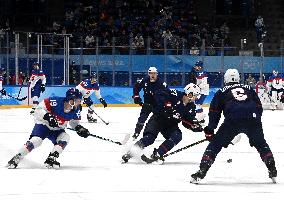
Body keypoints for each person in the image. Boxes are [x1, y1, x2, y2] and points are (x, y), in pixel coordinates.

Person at [190, 69, 277, 184]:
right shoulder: (249, 88)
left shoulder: (221, 91)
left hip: (233, 120)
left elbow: (214, 111)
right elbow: (258, 106)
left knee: (215, 145)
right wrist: (255, 120)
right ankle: (272, 167)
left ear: (226, 79)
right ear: (238, 78)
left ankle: (202, 170)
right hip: (252, 119)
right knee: (261, 144)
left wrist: (210, 130)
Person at [6, 88, 90, 169]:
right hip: (44, 125)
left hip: (57, 129)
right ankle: (17, 157)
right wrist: (47, 116)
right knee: (36, 140)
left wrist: (79, 128)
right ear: (70, 100)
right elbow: (38, 109)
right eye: (78, 100)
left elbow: (73, 122)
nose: (79, 102)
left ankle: (51, 158)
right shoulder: (55, 101)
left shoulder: (77, 109)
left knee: (65, 137)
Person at [122, 83, 203, 164]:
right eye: (196, 95)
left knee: (177, 136)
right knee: (149, 138)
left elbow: (187, 121)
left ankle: (157, 154)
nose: (196, 98)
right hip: (157, 120)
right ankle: (130, 153)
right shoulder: (175, 94)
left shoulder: (191, 107)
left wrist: (193, 126)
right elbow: (158, 94)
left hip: (170, 125)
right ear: (190, 94)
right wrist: (166, 105)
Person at [132, 67, 168, 140]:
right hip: (147, 104)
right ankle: (136, 133)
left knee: (161, 120)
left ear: (157, 74)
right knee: (142, 118)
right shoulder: (144, 80)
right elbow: (136, 86)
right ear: (148, 74)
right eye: (151, 73)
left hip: (158, 106)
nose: (152, 75)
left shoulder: (161, 83)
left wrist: (166, 103)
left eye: (154, 73)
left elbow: (168, 93)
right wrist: (136, 96)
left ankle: (166, 134)